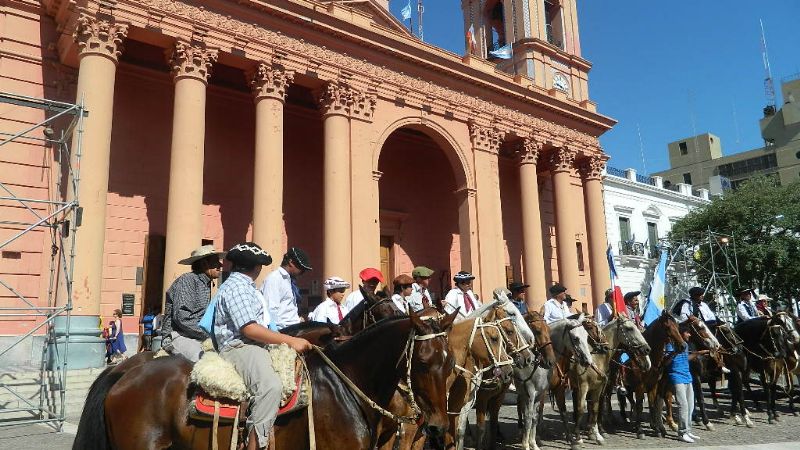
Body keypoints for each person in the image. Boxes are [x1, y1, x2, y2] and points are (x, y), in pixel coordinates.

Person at [213, 242, 313, 450]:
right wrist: (291, 341)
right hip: (240, 347)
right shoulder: (238, 287)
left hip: (255, 344)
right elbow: (249, 329)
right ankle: (255, 445)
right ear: (256, 267)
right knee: (271, 387)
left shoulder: (246, 286)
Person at [161, 245, 225, 362]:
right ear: (204, 264)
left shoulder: (205, 283)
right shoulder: (188, 280)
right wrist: (211, 334)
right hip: (179, 335)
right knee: (205, 363)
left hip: (195, 336)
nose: (220, 266)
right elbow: (183, 318)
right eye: (216, 262)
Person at [260, 247, 313, 330]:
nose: (302, 272)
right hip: (282, 330)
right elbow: (270, 309)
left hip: (294, 327)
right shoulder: (275, 278)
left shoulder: (289, 281)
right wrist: (275, 333)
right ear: (291, 262)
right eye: (301, 269)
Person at [666, 328, 698, 443]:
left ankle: (688, 430)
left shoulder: (685, 344)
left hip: (687, 377)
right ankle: (682, 432)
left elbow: (686, 359)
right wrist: (675, 352)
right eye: (687, 332)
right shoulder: (670, 344)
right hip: (676, 376)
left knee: (691, 404)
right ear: (680, 333)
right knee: (683, 405)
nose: (689, 334)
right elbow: (666, 362)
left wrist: (697, 354)